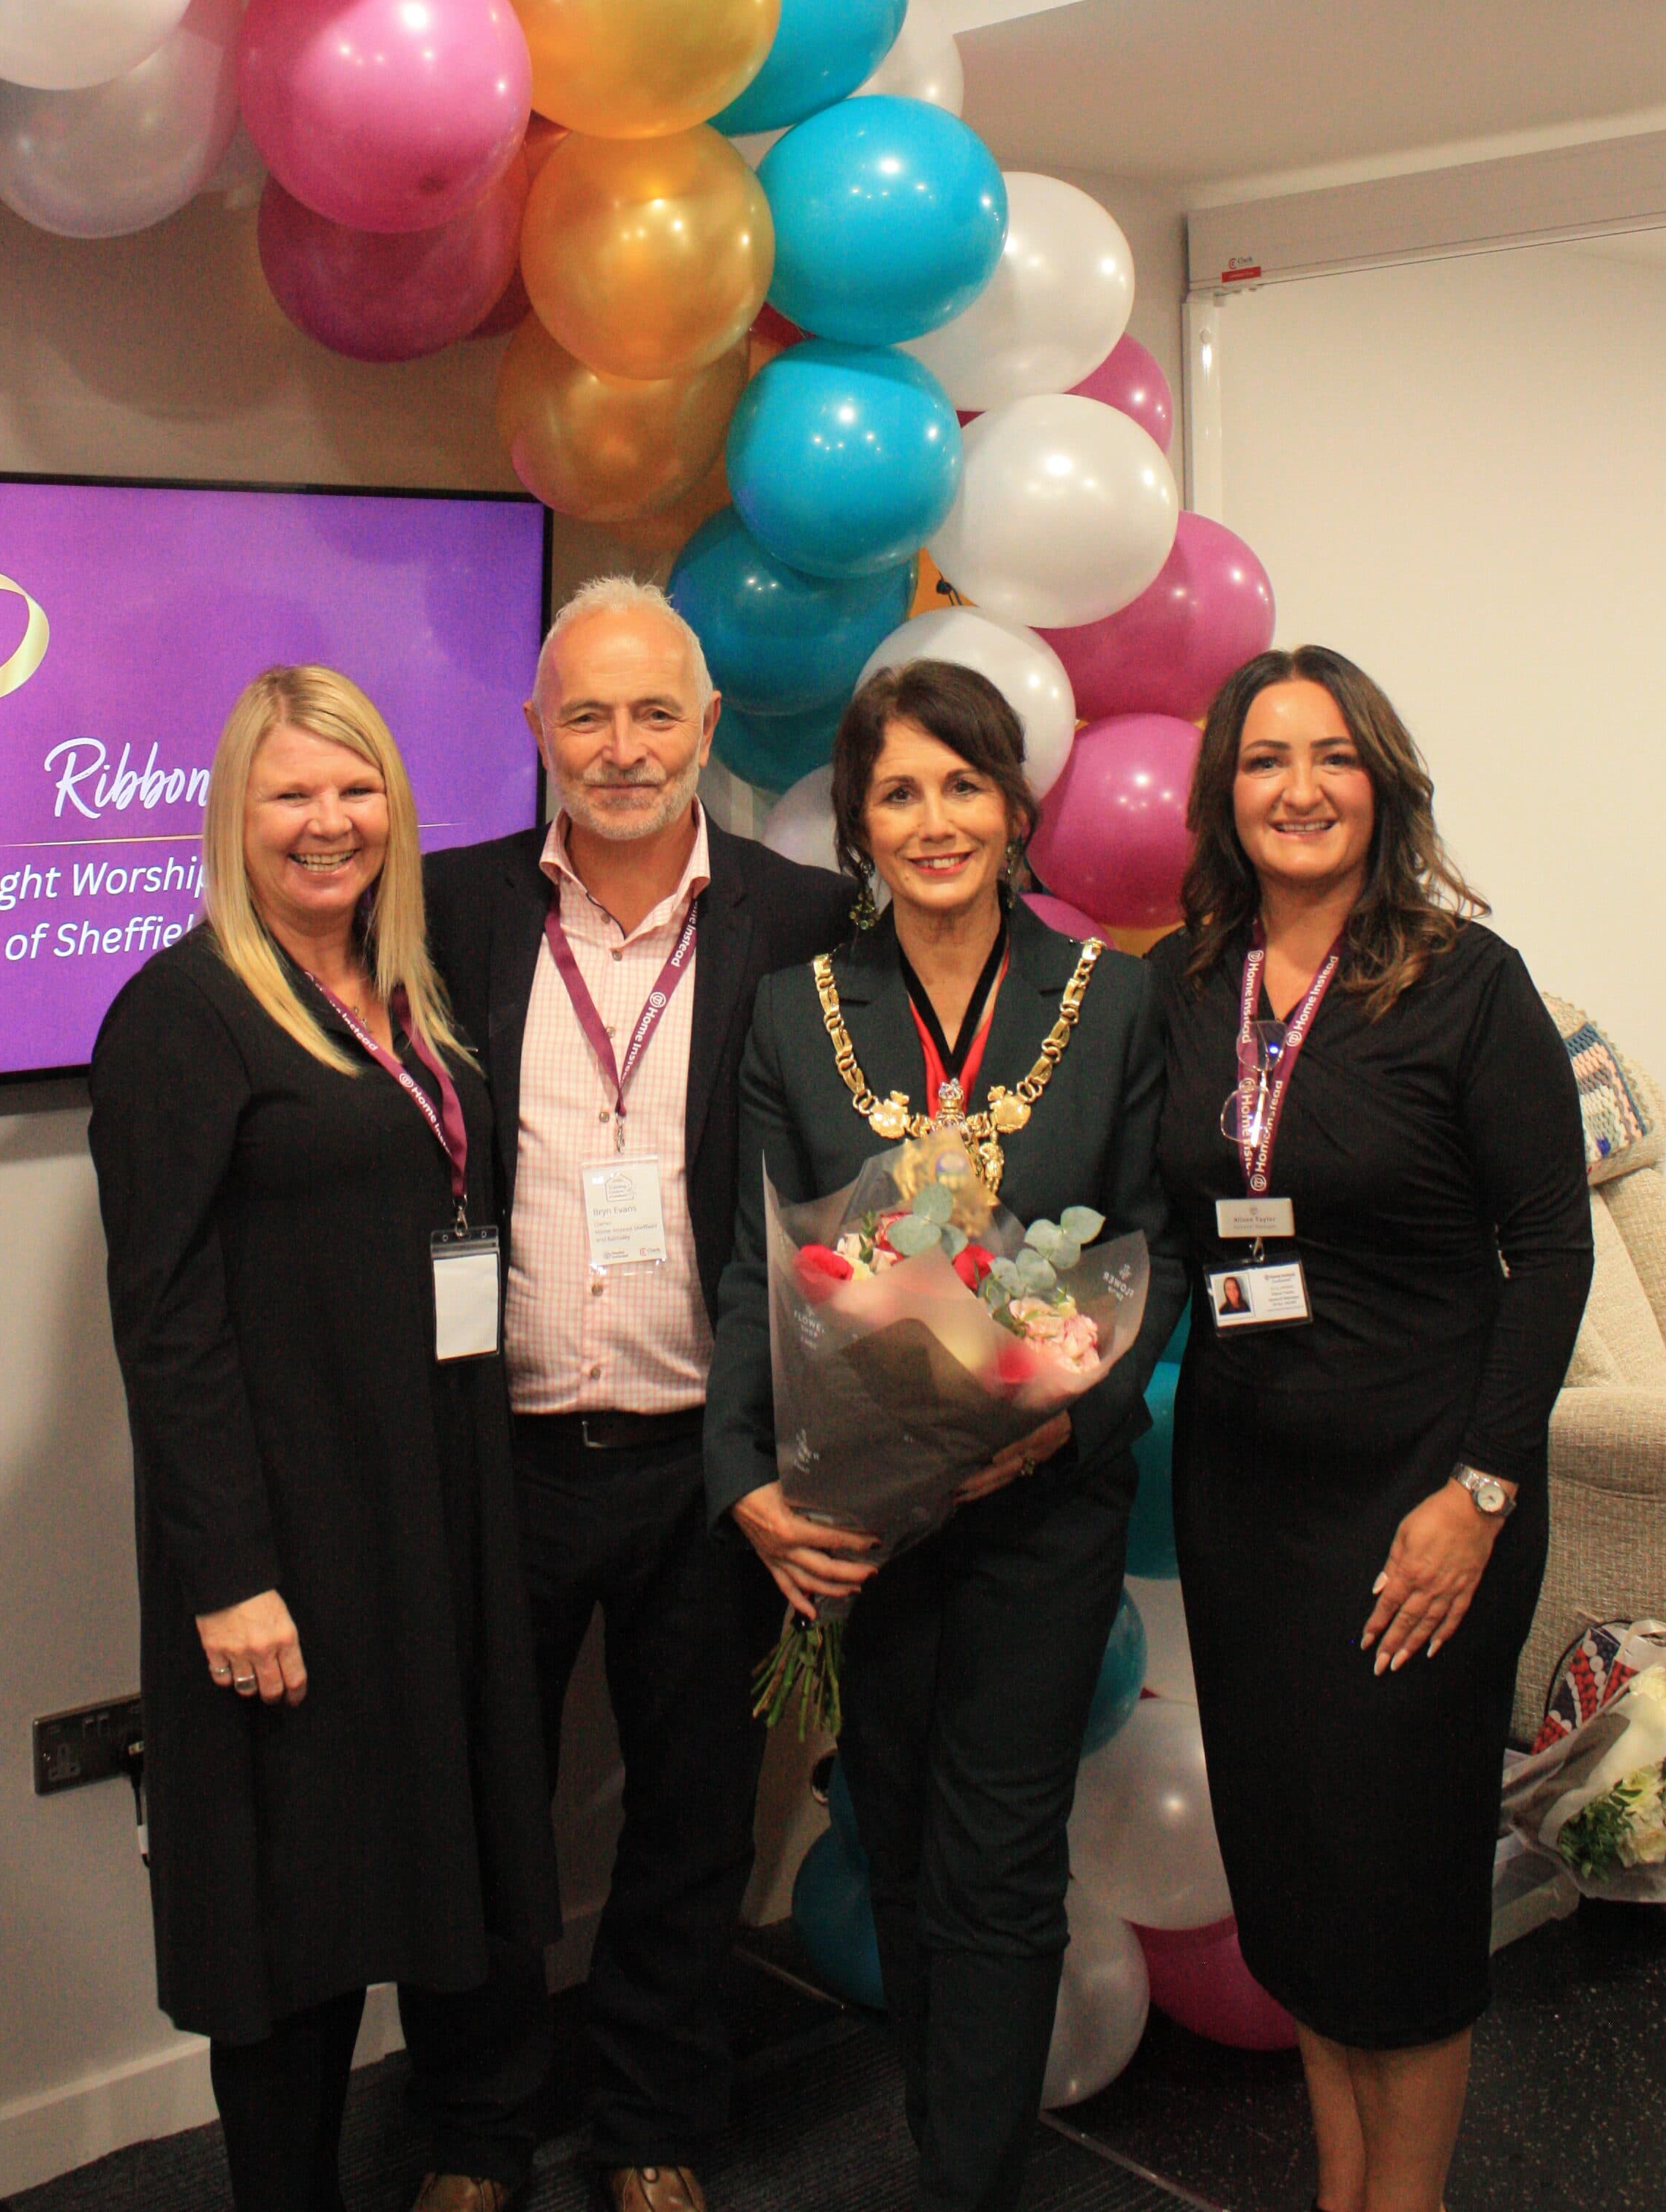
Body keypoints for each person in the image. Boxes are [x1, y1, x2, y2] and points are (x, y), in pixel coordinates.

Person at [705, 660, 1183, 2212]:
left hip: (1038, 1514)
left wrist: (1067, 1421)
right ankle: (945, 2136)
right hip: (864, 1522)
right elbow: (755, 1264)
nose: (932, 821)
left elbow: (1159, 1247)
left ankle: (966, 2183)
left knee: (994, 1863)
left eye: (960, 785)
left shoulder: (1110, 1002)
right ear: (856, 821)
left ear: (1015, 806)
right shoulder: (797, 1010)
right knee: (893, 1843)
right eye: (896, 793)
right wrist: (746, 1485)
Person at [88, 666, 558, 2212]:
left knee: (429, 1866)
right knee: (291, 1918)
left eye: (354, 791)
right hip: (284, 1547)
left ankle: (457, 2148)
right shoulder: (180, 1015)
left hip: (428, 1507)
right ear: (234, 816)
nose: (328, 822)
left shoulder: (406, 996)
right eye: (292, 793)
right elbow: (164, 1327)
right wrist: (226, 1572)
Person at [416, 577, 850, 2212]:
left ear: (707, 729)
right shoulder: (444, 912)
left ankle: (653, 2120)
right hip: (493, 1453)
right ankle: (471, 2128)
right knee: (475, 1815)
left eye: (652, 712)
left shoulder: (797, 920)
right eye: (585, 714)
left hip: (705, 1458)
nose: (619, 746)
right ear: (535, 731)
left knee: (687, 1815)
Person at [1148, 647, 1591, 2212]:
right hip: (1243, 1503)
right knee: (1300, 1888)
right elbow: (1153, 1237)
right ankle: (1342, 2186)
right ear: (1225, 795)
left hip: (1424, 1499)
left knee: (1394, 1899)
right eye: (1263, 760)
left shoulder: (1465, 982)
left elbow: (1549, 1253)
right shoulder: (1182, 986)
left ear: (1378, 782)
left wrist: (1475, 1494)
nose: (1297, 788)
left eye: (1329, 756)